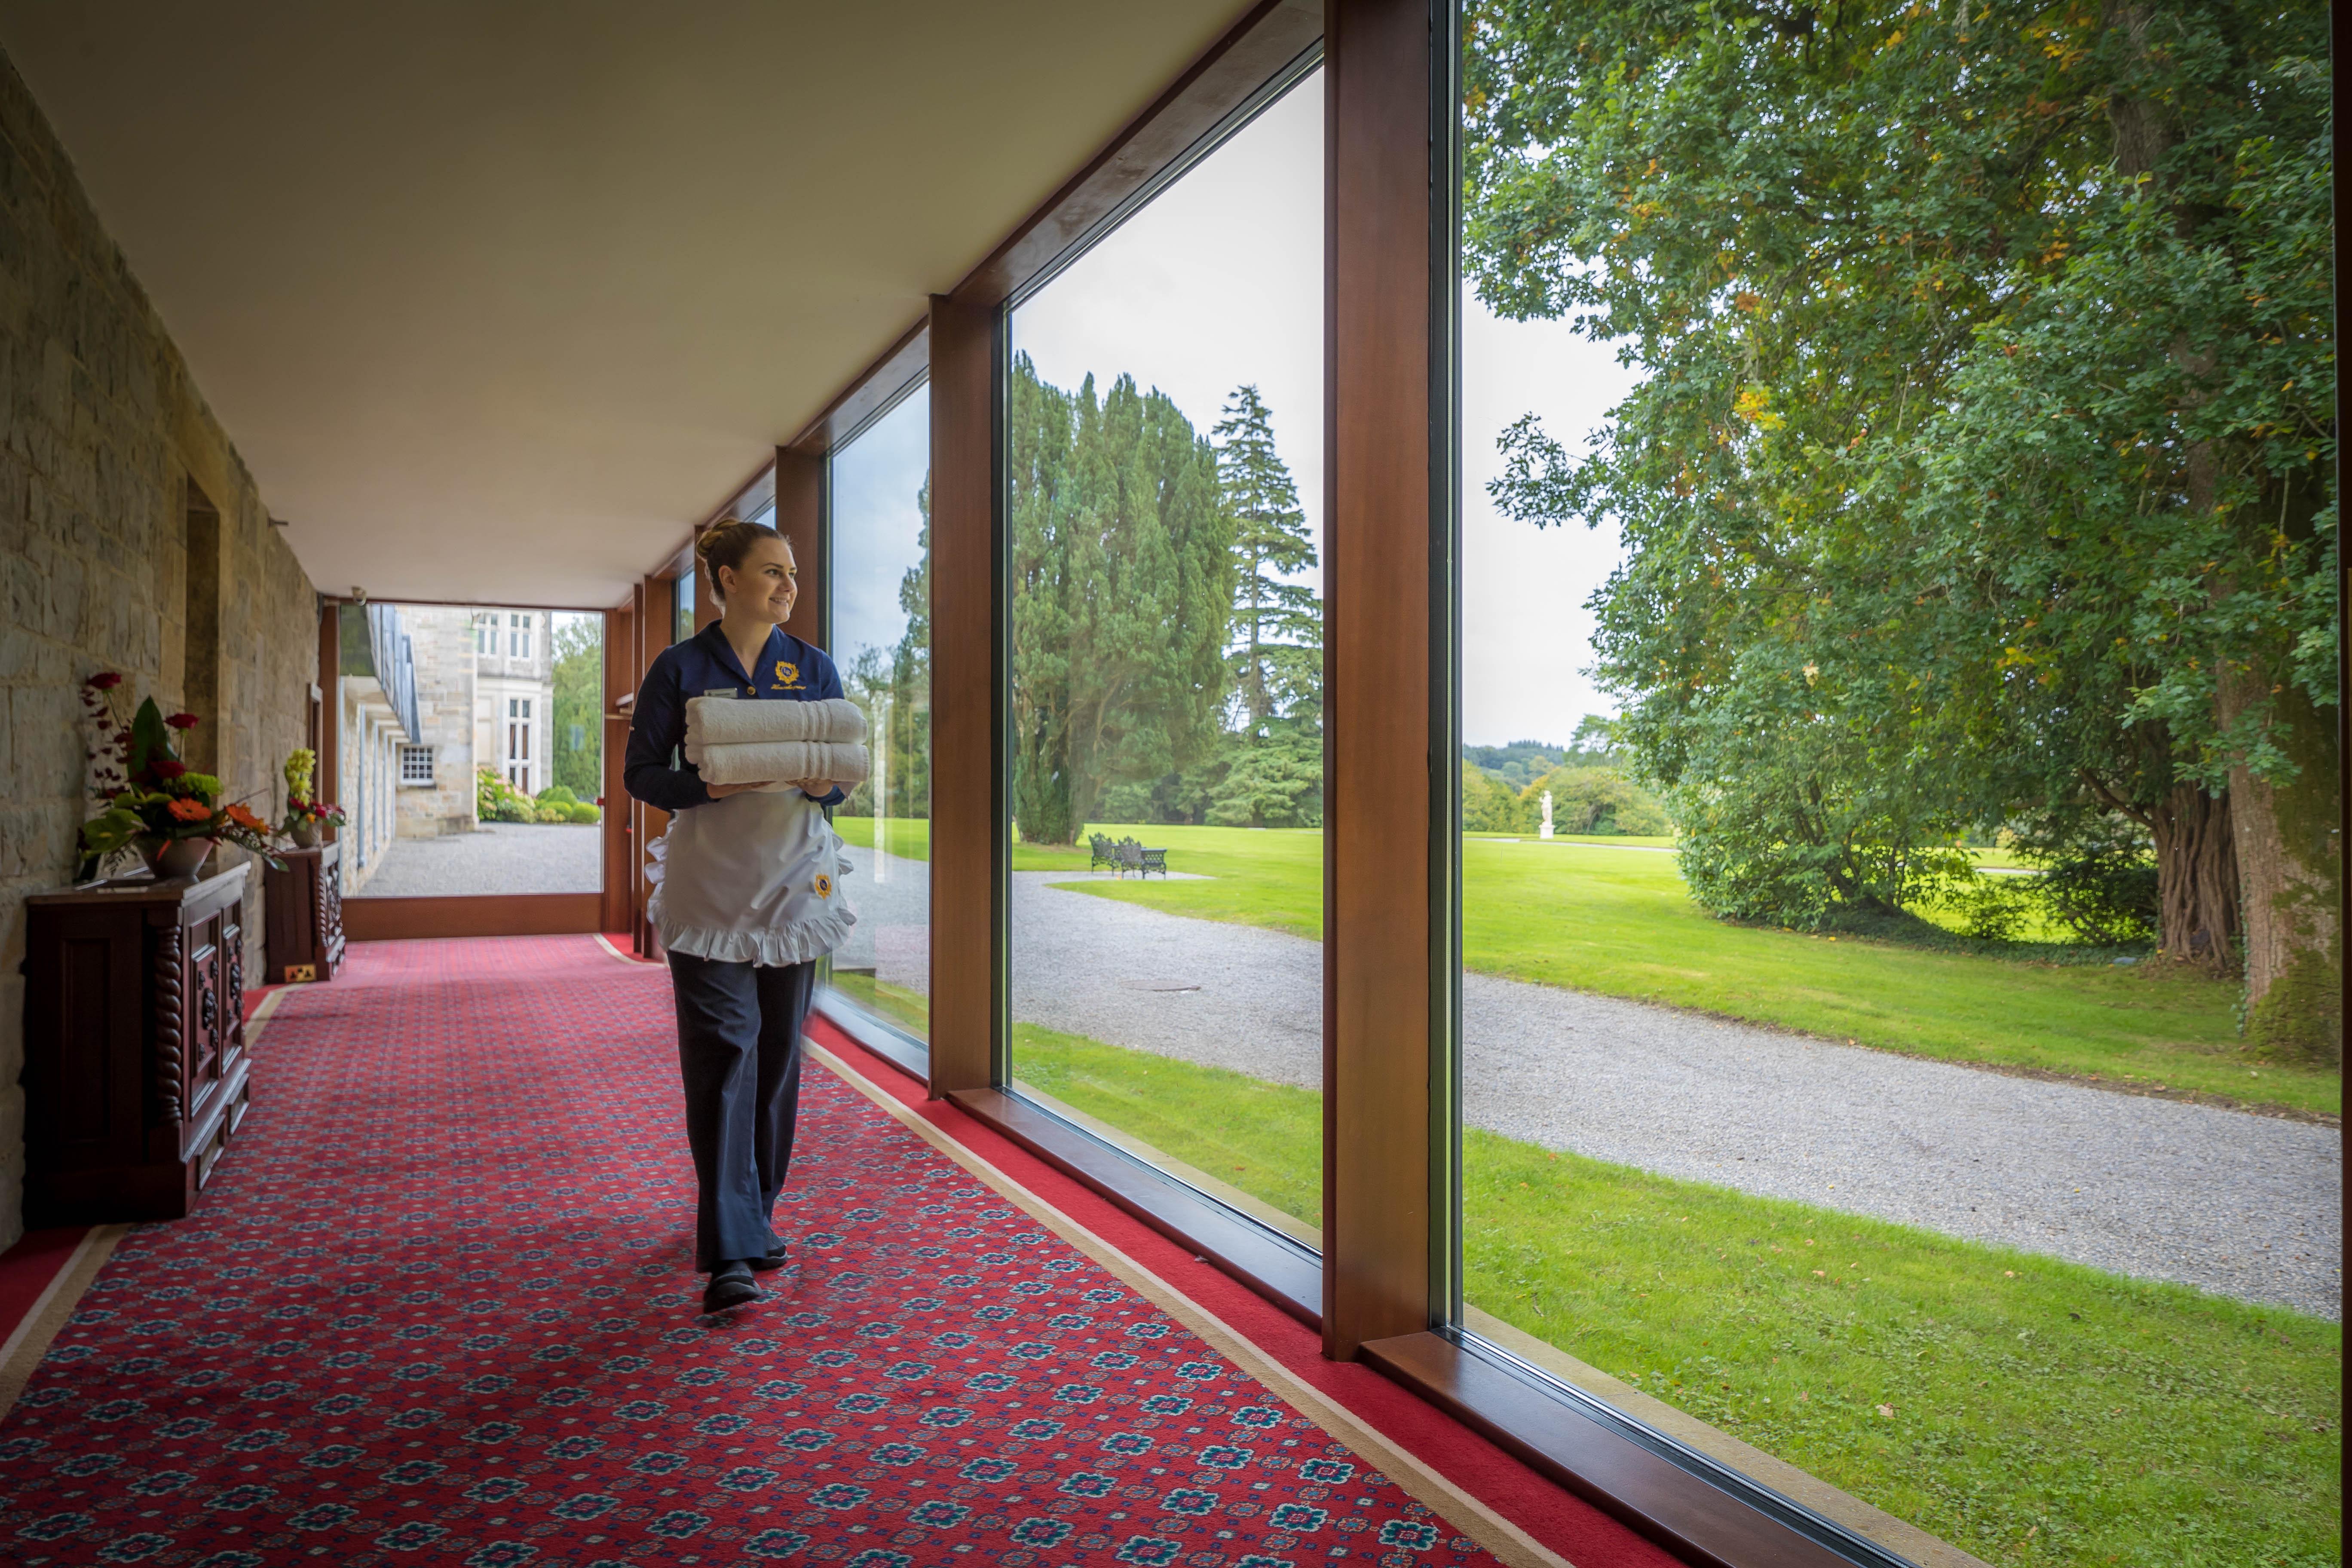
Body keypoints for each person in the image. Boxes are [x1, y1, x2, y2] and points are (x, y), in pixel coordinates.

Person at [623, 518, 855, 1313]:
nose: (788, 586)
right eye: (771, 572)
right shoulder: (681, 668)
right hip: (710, 890)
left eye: (792, 573)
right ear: (725, 579)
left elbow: (839, 769)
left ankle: (753, 1214)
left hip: (798, 886)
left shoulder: (813, 667)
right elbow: (643, 773)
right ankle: (729, 1252)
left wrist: (828, 782)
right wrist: (708, 787)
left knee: (780, 1055)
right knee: (727, 1050)